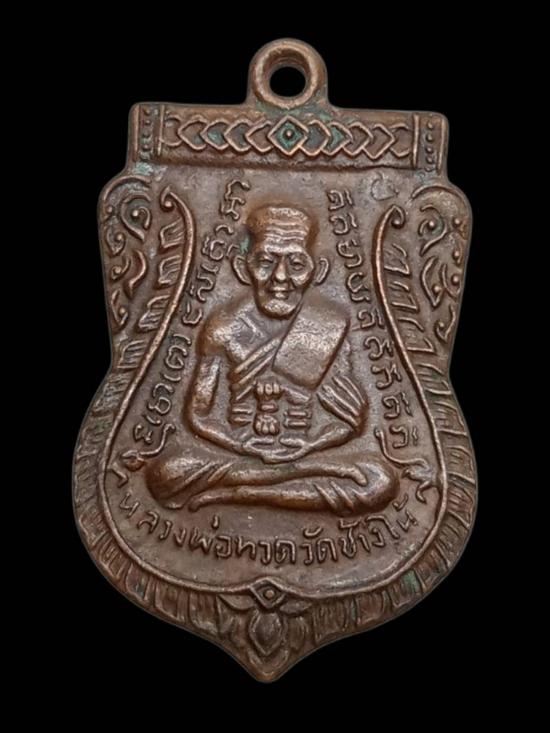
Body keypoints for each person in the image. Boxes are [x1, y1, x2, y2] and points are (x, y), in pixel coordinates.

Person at [146, 204, 396, 514]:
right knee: (166, 474)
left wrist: (312, 444)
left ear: (318, 270)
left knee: (381, 481)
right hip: (238, 453)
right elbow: (198, 415)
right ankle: (284, 481)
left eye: (296, 264)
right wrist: (241, 445)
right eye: (265, 262)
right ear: (242, 268)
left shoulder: (326, 325)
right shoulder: (223, 328)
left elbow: (345, 422)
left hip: (303, 451)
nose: (280, 277)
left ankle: (245, 492)